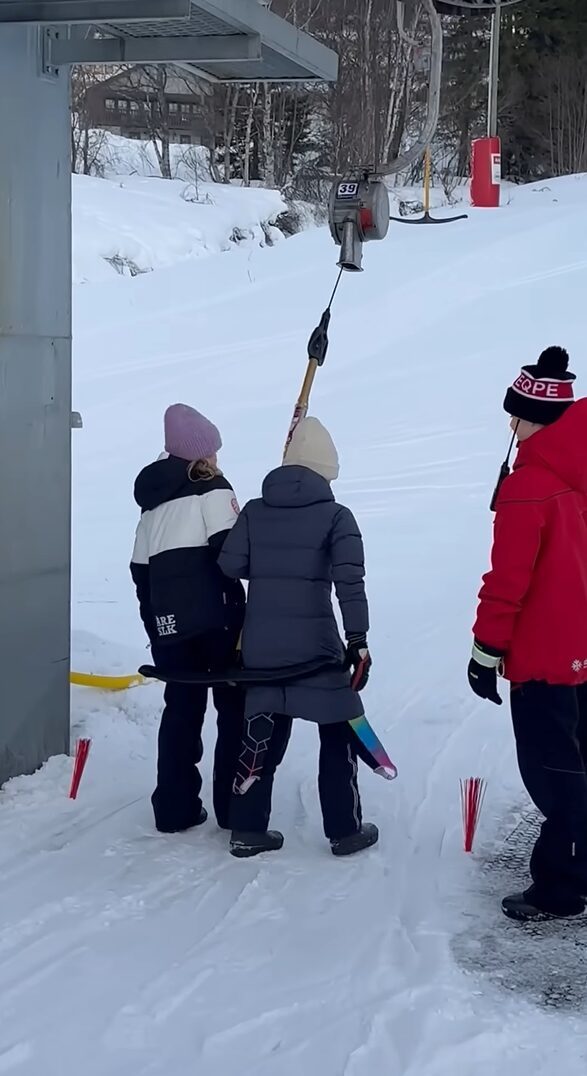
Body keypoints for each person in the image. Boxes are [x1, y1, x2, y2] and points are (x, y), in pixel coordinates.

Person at [218, 416, 379, 859]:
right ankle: (345, 831)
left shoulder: (254, 509)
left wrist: (268, 562)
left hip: (263, 645)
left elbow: (231, 565)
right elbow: (351, 582)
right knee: (338, 732)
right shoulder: (336, 517)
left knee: (260, 735)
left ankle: (247, 829)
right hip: (318, 647)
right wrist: (358, 639)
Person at [468, 346, 587, 921]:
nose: (510, 429)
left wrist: (484, 652)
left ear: (532, 417)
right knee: (580, 761)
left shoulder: (529, 487)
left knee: (554, 771)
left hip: (544, 656)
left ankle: (562, 886)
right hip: (583, 651)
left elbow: (507, 582)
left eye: (514, 417)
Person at [131, 403, 245, 834]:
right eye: (213, 450)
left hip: (170, 630)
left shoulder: (151, 505)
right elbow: (232, 556)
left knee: (181, 710)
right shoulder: (212, 487)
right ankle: (235, 810)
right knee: (233, 706)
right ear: (201, 454)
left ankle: (174, 809)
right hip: (218, 622)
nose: (217, 457)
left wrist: (158, 627)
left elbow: (140, 572)